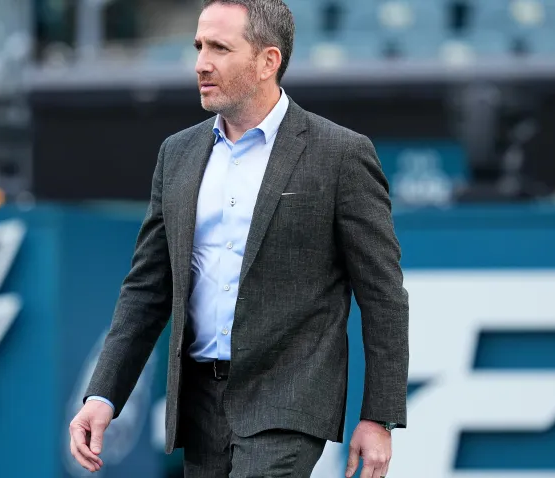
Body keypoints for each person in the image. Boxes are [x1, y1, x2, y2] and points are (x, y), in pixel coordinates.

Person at [68, 0, 409, 476]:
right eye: (199, 46)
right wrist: (104, 395)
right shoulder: (177, 154)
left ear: (268, 61)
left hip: (288, 402)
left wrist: (379, 416)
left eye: (219, 48)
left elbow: (383, 297)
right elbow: (147, 288)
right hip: (198, 405)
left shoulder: (341, 155)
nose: (201, 63)